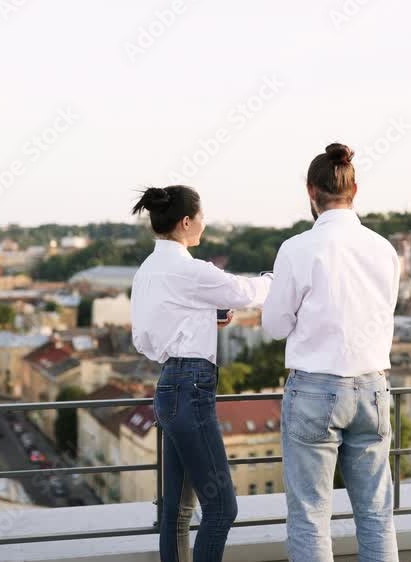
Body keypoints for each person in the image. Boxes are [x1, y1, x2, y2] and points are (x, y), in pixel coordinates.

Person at [262, 143, 401, 561]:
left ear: (310, 191)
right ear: (354, 189)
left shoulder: (297, 248)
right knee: (377, 513)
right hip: (373, 387)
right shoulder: (384, 249)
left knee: (310, 515)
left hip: (315, 389)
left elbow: (274, 327)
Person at [130, 185, 273, 562]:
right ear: (187, 221)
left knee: (176, 514)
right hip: (192, 389)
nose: (205, 224)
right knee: (222, 508)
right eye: (203, 217)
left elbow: (145, 338)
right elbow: (245, 292)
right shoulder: (190, 269)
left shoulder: (147, 271)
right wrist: (277, 279)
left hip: (168, 389)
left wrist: (202, 318)